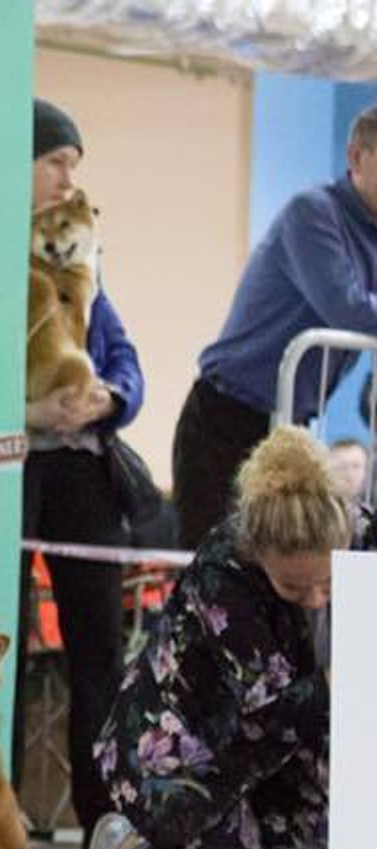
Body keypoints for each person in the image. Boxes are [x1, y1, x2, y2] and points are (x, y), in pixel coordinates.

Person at [78, 427, 352, 849]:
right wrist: (336, 684)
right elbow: (271, 709)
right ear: (260, 554)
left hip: (279, 752)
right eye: (295, 588)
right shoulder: (222, 570)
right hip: (185, 751)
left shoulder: (359, 534)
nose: (317, 600)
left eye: (329, 580)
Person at [15, 100, 145, 849]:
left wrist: (110, 399)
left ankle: (103, 824)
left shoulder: (84, 259)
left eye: (74, 165)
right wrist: (28, 410)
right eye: (57, 161)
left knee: (99, 646)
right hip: (11, 466)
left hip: (85, 468)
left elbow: (126, 359)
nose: (69, 177)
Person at [172, 104, 377, 550]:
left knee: (284, 572)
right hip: (225, 417)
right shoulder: (314, 212)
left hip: (292, 426)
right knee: (213, 577)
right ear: (356, 156)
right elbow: (347, 308)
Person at [327, 436, 369, 504]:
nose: (350, 475)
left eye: (356, 466)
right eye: (342, 467)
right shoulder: (312, 511)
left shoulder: (369, 513)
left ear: (365, 471)